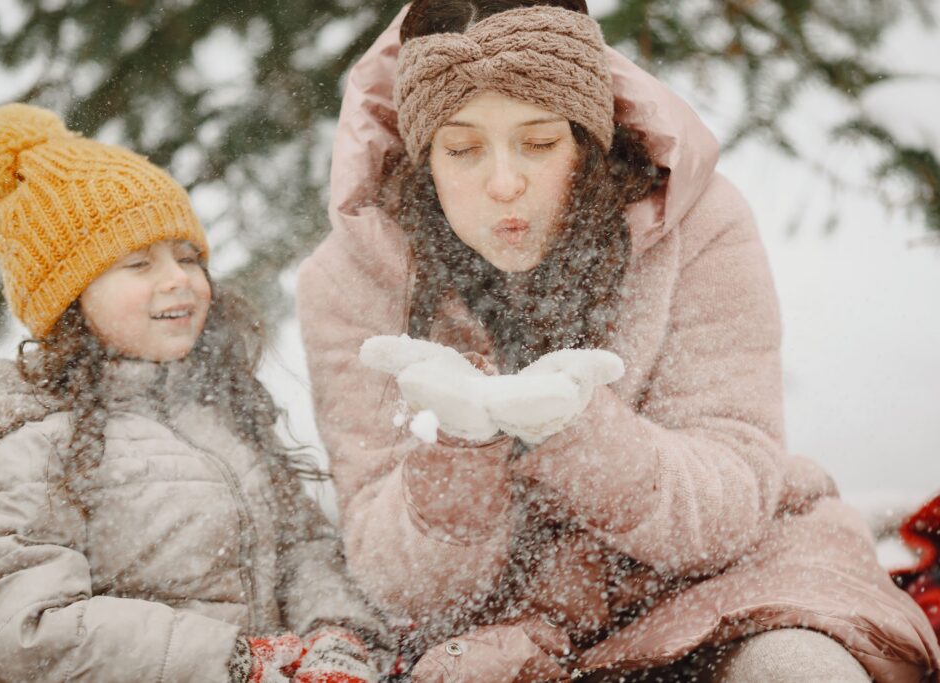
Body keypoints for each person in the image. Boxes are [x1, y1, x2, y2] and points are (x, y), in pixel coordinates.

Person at [295, 1, 940, 681]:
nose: (505, 182)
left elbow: (730, 503)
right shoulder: (348, 283)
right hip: (514, 631)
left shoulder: (699, 218)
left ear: (587, 139)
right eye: (462, 150)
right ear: (423, 159)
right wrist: (460, 450)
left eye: (540, 143)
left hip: (741, 580)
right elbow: (403, 582)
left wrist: (578, 432)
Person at [0, 103, 392, 683]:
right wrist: (234, 661)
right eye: (138, 263)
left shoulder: (222, 418)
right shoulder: (36, 445)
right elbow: (31, 630)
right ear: (68, 300)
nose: (178, 279)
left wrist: (336, 639)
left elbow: (301, 550)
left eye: (188, 257)